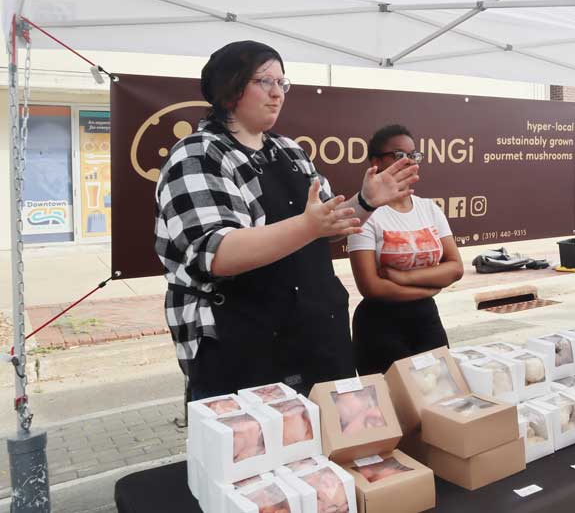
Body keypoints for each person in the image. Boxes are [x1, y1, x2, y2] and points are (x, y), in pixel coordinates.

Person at [155, 41, 419, 400]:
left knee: (334, 448)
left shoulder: (289, 151)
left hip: (318, 339)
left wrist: (366, 201)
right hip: (243, 347)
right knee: (258, 451)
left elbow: (327, 224)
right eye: (266, 81)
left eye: (283, 83)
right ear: (230, 88)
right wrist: (308, 226)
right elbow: (217, 253)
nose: (277, 93)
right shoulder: (198, 154)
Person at [347, 124, 463, 375]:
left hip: (426, 319)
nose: (408, 161)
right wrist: (430, 287)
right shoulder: (365, 214)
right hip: (380, 326)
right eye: (398, 155)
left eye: (413, 155)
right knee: (395, 405)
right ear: (376, 162)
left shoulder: (428, 208)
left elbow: (455, 267)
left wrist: (404, 277)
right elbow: (370, 286)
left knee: (439, 396)